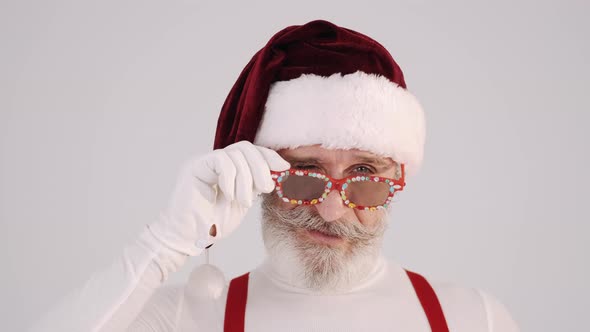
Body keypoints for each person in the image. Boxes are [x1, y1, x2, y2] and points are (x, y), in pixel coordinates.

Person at [29, 19, 520, 332]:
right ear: (260, 175)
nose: (331, 210)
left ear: (398, 179)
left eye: (365, 175)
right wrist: (165, 243)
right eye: (305, 173)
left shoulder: (471, 318)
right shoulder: (189, 318)